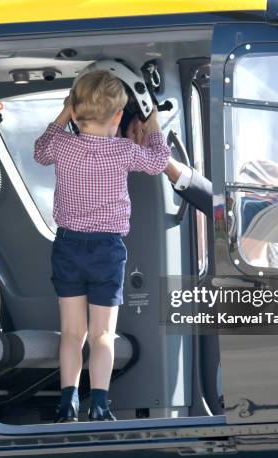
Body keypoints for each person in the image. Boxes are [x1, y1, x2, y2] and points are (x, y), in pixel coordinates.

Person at [33, 70, 170, 422]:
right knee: (102, 335)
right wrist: (153, 123)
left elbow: (40, 151)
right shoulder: (123, 151)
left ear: (76, 113)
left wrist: (65, 112)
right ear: (118, 117)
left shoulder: (62, 145)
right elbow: (157, 162)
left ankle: (67, 402)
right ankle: (99, 402)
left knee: (72, 333)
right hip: (107, 251)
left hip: (67, 247)